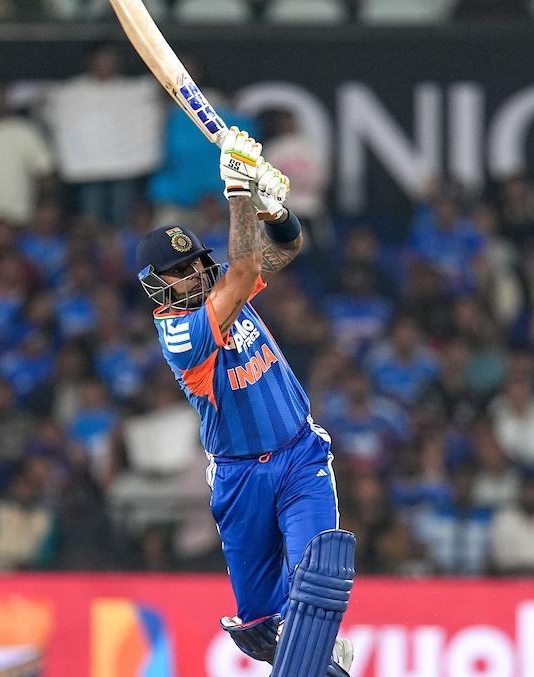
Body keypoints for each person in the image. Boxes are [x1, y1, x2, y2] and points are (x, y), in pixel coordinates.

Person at [135, 127, 354, 675]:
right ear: (155, 285)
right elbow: (247, 268)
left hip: (299, 455)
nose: (190, 275)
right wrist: (239, 192)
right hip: (240, 477)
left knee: (316, 577)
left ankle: (321, 647)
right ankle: (303, 648)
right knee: (257, 625)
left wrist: (274, 211)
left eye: (193, 264)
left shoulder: (224, 289)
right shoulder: (179, 335)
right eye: (176, 273)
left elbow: (285, 248)